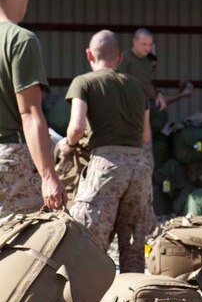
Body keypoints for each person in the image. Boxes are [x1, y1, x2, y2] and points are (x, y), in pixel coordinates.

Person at [60, 30, 150, 272]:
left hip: (106, 165)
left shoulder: (84, 82)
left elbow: (76, 127)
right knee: (133, 244)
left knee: (90, 241)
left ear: (89, 54)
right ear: (119, 58)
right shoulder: (137, 86)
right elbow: (145, 136)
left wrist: (68, 145)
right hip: (139, 168)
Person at [0, 0, 66, 218]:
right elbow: (29, 113)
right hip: (10, 160)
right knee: (22, 247)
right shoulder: (20, 40)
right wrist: (48, 176)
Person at [117, 29, 193, 111]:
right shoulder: (125, 60)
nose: (147, 48)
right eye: (144, 44)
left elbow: (150, 89)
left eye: (149, 45)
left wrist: (159, 94)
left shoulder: (145, 66)